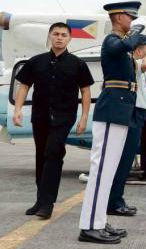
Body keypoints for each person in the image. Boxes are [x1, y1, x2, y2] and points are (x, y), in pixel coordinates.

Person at [78, 1, 145, 244]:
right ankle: (88, 226)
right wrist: (138, 31)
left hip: (120, 110)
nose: (133, 21)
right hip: (112, 110)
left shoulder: (122, 45)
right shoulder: (112, 40)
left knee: (108, 171)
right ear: (118, 18)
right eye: (130, 16)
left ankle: (98, 221)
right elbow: (128, 42)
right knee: (100, 170)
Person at [13, 22, 94, 219]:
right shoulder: (36, 61)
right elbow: (23, 86)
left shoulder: (77, 64)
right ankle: (40, 199)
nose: (59, 38)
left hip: (64, 117)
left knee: (53, 152)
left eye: (63, 35)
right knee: (41, 155)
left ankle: (47, 203)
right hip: (39, 116)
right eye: (56, 34)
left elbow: (85, 91)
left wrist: (83, 117)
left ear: (69, 39)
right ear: (50, 36)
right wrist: (17, 110)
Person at [107, 34, 146, 217]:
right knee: (124, 158)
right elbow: (145, 65)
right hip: (133, 111)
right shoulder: (133, 62)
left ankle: (116, 200)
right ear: (138, 50)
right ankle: (114, 202)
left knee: (126, 159)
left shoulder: (132, 63)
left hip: (138, 110)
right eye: (145, 50)